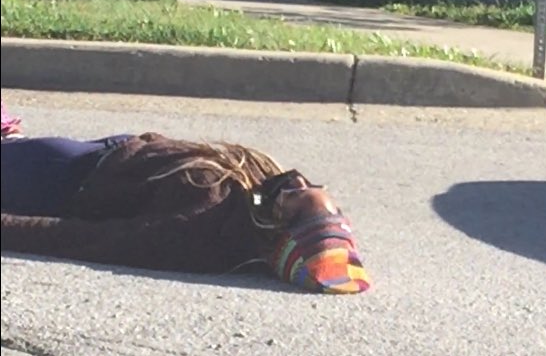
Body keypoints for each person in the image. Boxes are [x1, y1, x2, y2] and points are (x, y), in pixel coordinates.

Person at [0, 101, 371, 294]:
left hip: (57, 178)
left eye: (296, 195)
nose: (297, 180)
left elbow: (94, 240)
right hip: (96, 155)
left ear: (281, 230)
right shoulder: (256, 198)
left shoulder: (202, 228)